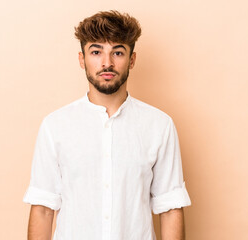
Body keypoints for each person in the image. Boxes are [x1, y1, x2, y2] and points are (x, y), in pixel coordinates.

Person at [23, 10, 191, 240]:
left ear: (132, 60)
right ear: (82, 59)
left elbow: (170, 208)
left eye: (118, 52)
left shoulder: (159, 126)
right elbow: (42, 209)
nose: (107, 63)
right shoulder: (55, 126)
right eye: (96, 51)